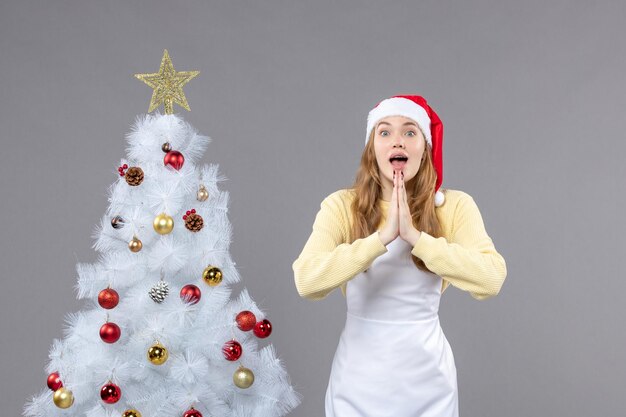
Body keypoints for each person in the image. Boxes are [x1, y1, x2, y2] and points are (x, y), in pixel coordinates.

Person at [292, 95, 507, 416]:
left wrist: (416, 238)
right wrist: (382, 237)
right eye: (384, 132)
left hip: (429, 382)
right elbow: (307, 282)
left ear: (426, 147)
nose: (398, 141)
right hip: (358, 380)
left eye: (410, 132)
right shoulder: (341, 206)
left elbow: (490, 280)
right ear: (371, 149)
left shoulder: (454, 206)